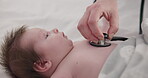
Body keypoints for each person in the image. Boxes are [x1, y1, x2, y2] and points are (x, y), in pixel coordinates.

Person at [0, 26, 117, 78]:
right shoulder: (61, 73)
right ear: (43, 64)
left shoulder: (74, 45)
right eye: (46, 35)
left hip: (132, 50)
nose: (55, 29)